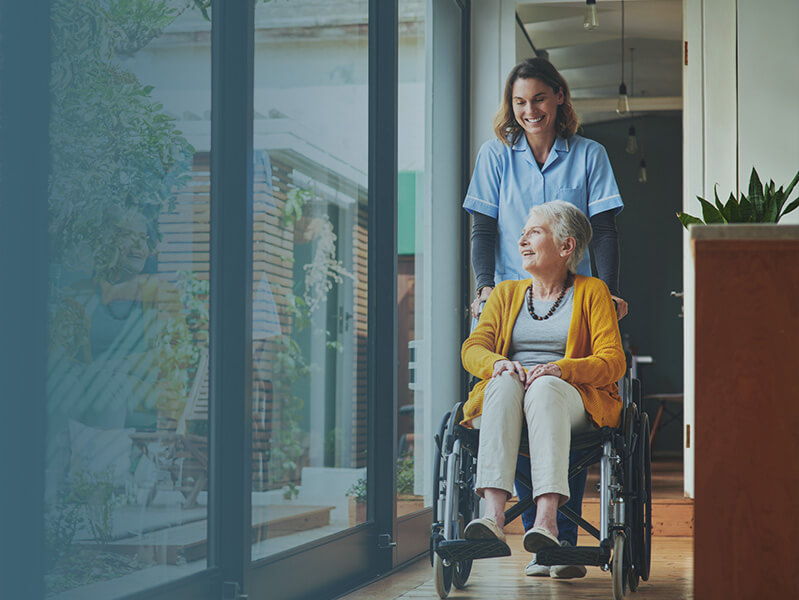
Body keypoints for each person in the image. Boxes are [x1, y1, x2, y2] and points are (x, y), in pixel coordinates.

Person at [463, 57, 627, 578]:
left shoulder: (588, 155)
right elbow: (483, 230)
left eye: (537, 98)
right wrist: (486, 290)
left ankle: (556, 535)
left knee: (552, 390)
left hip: (571, 294)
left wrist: (606, 291)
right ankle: (513, 522)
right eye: (519, 102)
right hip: (517, 295)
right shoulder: (496, 155)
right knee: (510, 387)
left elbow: (603, 230)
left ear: (558, 97)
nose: (528, 110)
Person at [460, 201, 626, 572]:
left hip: (571, 399)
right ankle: (492, 517)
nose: (522, 240)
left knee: (544, 387)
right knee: (501, 383)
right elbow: (473, 349)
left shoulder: (593, 291)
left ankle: (547, 521)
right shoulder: (503, 294)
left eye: (534, 232)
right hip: (512, 397)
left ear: (566, 247)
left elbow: (613, 361)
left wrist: (560, 369)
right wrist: (498, 362)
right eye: (522, 233)